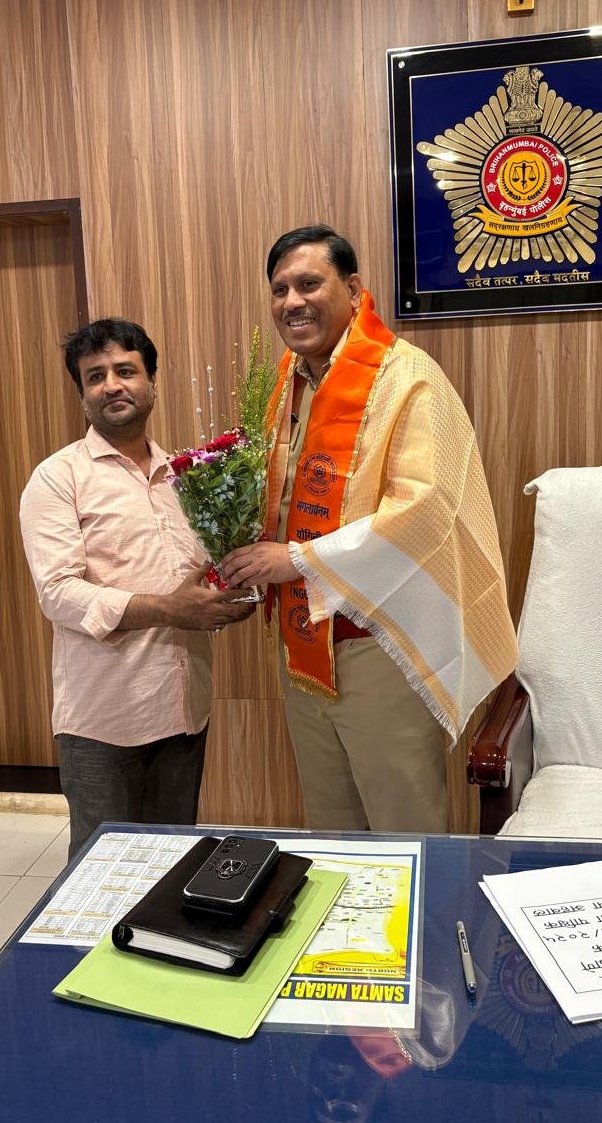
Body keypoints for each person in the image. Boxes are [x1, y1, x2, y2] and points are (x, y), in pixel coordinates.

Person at [221, 226, 518, 833]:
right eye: (279, 289)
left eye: (309, 284)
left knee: (403, 826)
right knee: (332, 827)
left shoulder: (406, 377)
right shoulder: (286, 382)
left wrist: (295, 560)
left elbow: (424, 508)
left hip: (380, 643)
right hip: (303, 643)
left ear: (354, 290)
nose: (292, 302)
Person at [20, 317, 253, 859]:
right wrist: (171, 609)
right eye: (95, 376)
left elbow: (200, 572)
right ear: (82, 394)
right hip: (104, 718)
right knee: (102, 872)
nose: (111, 385)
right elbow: (58, 593)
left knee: (171, 859)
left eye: (125, 371)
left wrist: (229, 596)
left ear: (152, 382)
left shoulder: (188, 476)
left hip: (183, 708)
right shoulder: (58, 477)